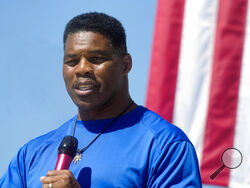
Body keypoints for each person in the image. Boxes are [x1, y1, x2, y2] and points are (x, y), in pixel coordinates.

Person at [0, 12, 202, 188]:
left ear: (126, 65)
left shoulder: (165, 145)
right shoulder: (30, 154)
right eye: (71, 61)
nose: (81, 69)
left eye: (96, 59)